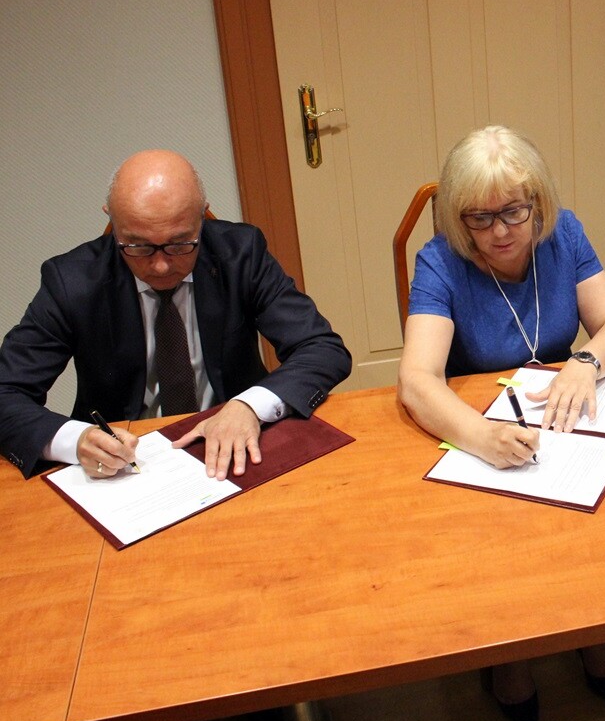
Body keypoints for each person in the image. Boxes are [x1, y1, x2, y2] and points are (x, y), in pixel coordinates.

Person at [397, 125, 605, 721]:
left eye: (513, 211)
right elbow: (418, 381)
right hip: (481, 427)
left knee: (597, 502)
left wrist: (586, 363)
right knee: (502, 535)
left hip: (559, 419)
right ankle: (509, 652)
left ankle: (588, 625)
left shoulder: (565, 234)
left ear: (538, 201)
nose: (500, 232)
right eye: (480, 218)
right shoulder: (439, 261)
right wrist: (480, 438)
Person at [0, 149, 352, 481]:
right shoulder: (72, 282)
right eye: (138, 246)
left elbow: (321, 349)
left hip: (234, 443)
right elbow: (6, 391)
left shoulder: (241, 255)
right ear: (112, 220)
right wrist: (74, 440)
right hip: (122, 466)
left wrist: (249, 406)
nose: (161, 265)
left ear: (202, 217)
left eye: (180, 244)